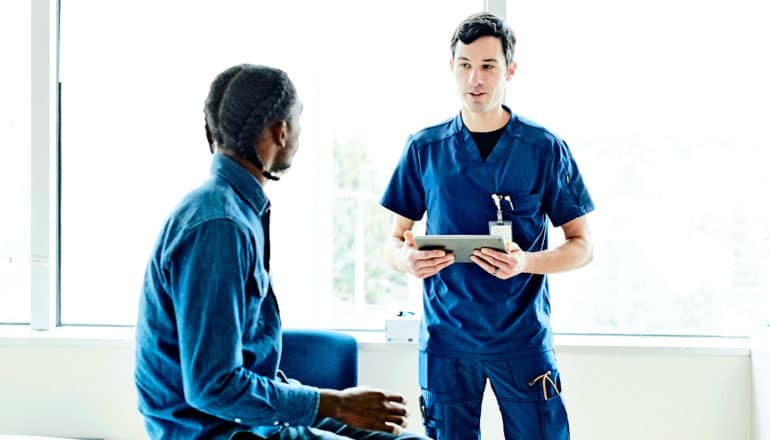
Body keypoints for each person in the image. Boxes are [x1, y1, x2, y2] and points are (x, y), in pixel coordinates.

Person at [135, 64, 428, 440]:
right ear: (281, 131)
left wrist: (330, 408)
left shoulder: (232, 209)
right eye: (298, 122)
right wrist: (335, 404)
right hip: (217, 432)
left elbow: (249, 369)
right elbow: (212, 386)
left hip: (246, 421)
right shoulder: (219, 225)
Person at [380, 12, 595, 440]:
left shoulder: (544, 149)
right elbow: (391, 241)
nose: (474, 79)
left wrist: (526, 262)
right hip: (447, 339)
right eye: (465, 65)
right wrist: (407, 260)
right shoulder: (425, 148)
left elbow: (582, 246)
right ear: (452, 67)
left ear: (510, 70)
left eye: (487, 66)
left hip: (522, 339)